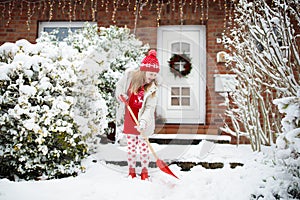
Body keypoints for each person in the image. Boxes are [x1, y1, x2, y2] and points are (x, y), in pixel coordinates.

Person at [115, 49, 160, 180]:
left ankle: (145, 172)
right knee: (131, 146)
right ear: (144, 71)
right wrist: (121, 96)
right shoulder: (129, 78)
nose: (152, 77)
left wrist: (144, 122)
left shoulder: (153, 87)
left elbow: (150, 108)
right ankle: (131, 171)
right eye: (150, 74)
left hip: (143, 119)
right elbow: (119, 87)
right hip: (129, 115)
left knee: (143, 146)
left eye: (154, 75)